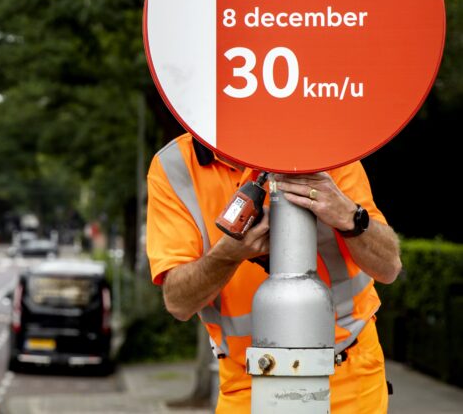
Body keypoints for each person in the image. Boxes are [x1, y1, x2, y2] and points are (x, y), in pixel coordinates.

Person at [146, 134, 401, 413]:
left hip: (349, 373)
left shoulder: (324, 143)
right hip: (247, 379)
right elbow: (178, 302)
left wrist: (350, 216)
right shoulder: (175, 165)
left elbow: (389, 267)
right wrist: (227, 255)